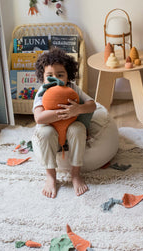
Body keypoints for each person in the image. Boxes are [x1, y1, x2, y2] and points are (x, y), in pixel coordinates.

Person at [32, 48, 96, 198]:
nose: (56, 79)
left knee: (78, 128)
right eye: (50, 76)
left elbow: (92, 105)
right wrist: (60, 114)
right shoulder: (42, 91)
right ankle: (51, 176)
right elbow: (39, 118)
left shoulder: (73, 88)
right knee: (45, 132)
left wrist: (78, 109)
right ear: (43, 77)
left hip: (70, 129)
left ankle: (75, 173)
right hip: (51, 130)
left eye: (60, 75)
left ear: (69, 75)